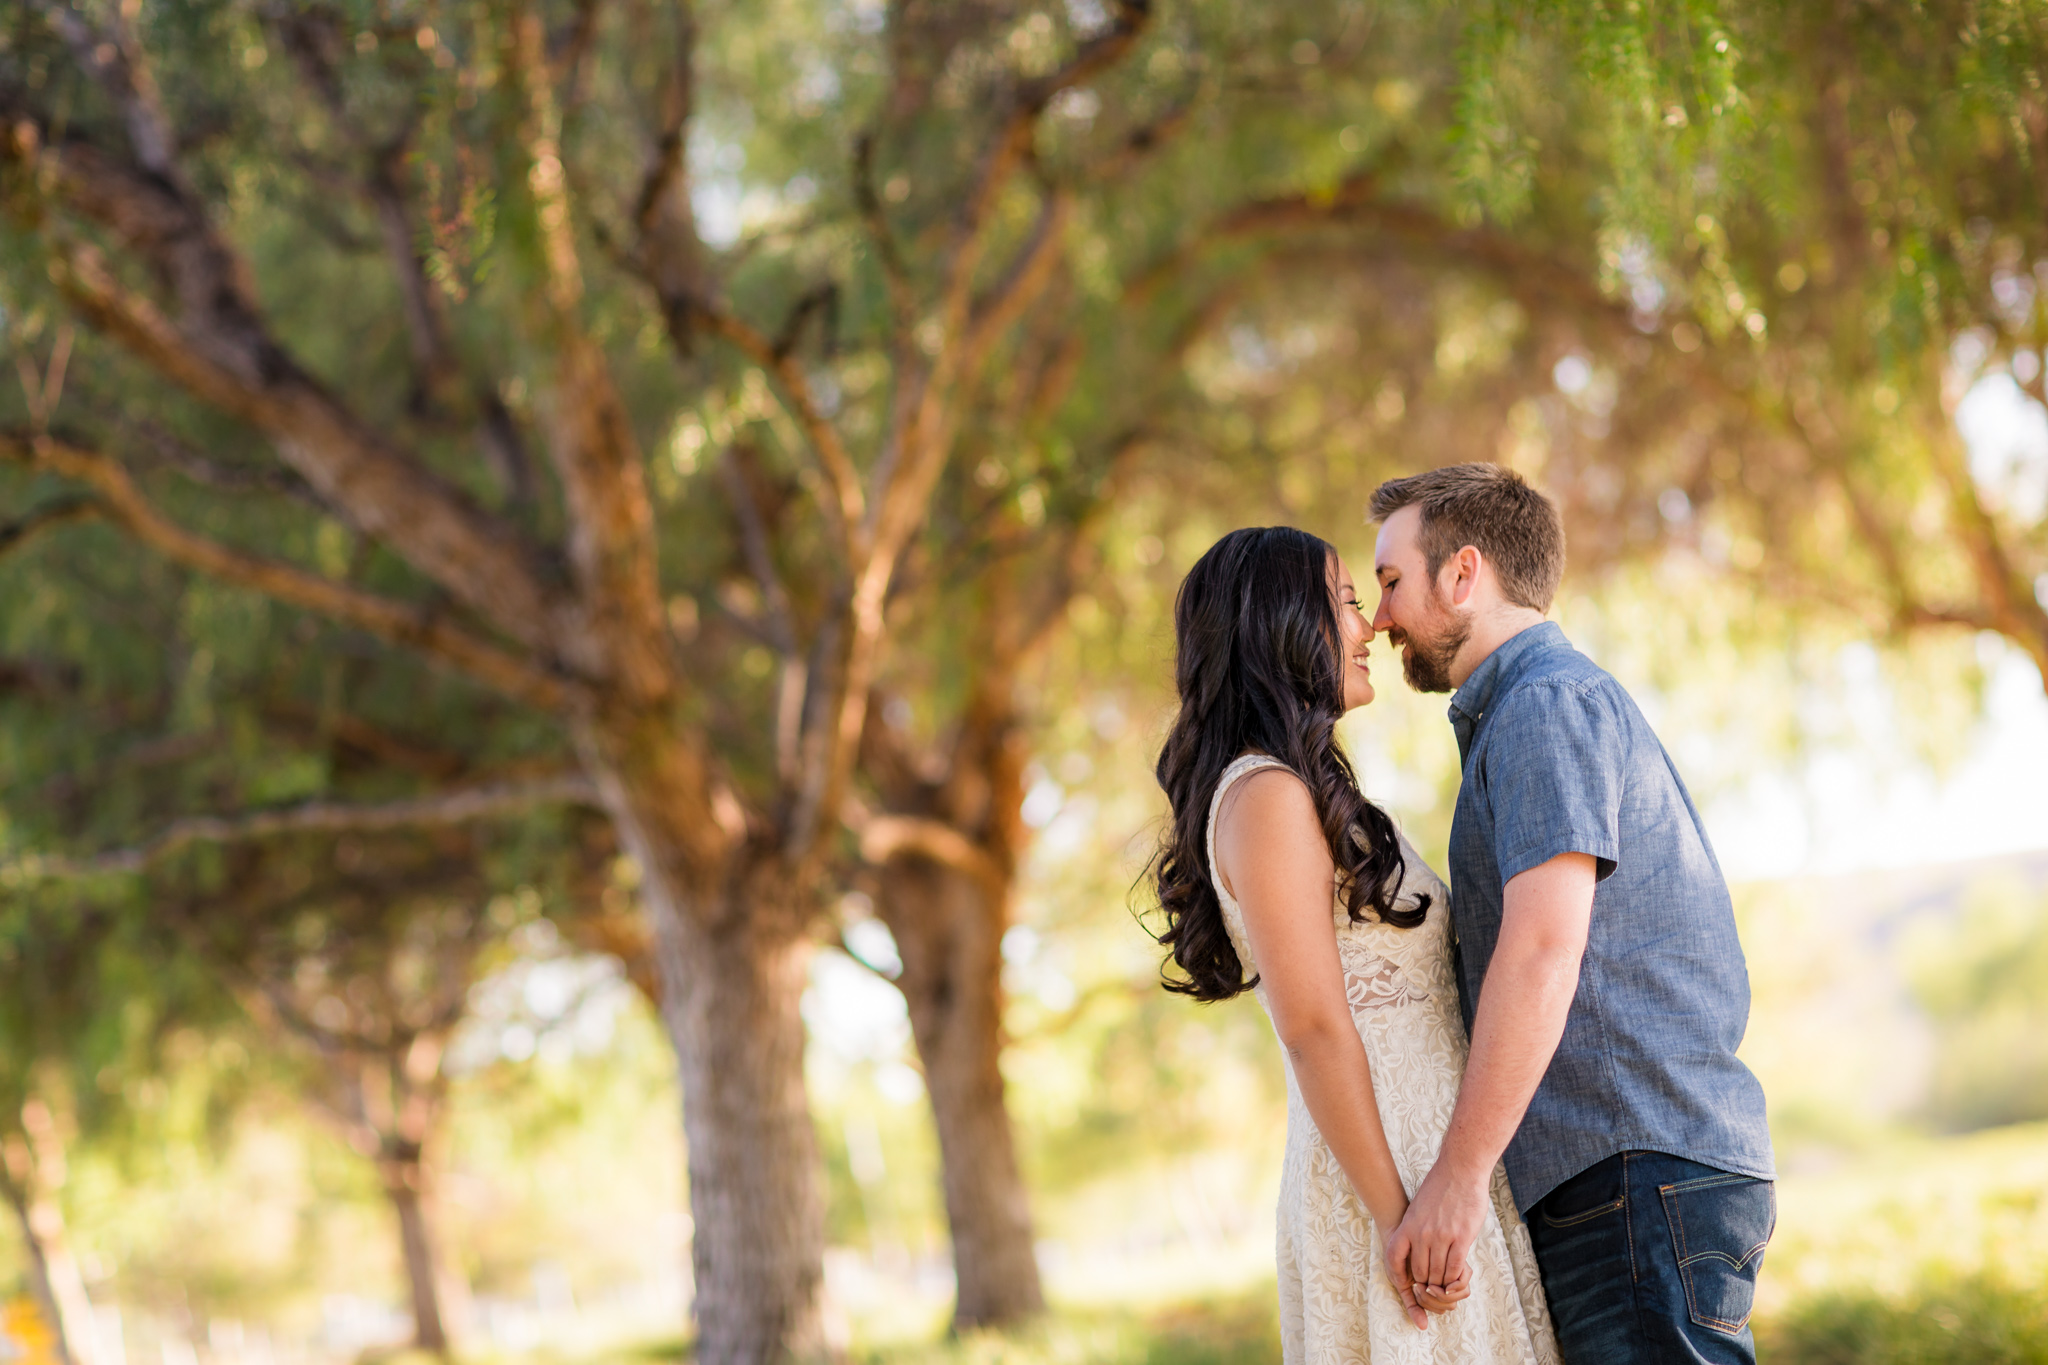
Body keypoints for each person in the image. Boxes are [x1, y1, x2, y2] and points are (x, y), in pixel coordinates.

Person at [1366, 463, 1777, 1365]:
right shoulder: (1528, 711)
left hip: (1632, 1175)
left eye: (1391, 579)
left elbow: (1544, 946)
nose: (1379, 615)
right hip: (1629, 1176)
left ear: (1463, 572)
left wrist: (1459, 1176)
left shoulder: (1543, 706)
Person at [1150, 525, 1560, 1364]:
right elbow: (1313, 1028)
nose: (1368, 625)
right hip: (1386, 1177)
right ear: (1282, 626)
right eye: (1345, 601)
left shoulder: (1303, 788)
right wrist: (1397, 1215)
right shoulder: (1265, 794)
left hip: (1433, 1165)